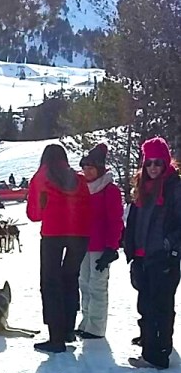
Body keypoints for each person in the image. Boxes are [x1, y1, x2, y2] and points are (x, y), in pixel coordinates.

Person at [26, 143, 91, 353]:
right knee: (70, 279)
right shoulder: (78, 178)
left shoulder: (41, 177)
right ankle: (68, 330)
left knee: (51, 282)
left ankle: (56, 338)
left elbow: (34, 214)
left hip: (53, 234)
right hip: (80, 235)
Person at [124, 136, 181, 369]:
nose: (153, 167)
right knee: (145, 304)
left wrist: (171, 247)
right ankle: (152, 346)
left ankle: (157, 354)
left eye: (158, 162)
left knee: (160, 305)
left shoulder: (173, 187)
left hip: (163, 256)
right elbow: (135, 221)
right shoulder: (142, 187)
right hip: (142, 255)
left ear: (166, 162)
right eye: (149, 163)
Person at [77, 143, 124, 339]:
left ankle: (96, 327)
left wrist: (111, 247)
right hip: (83, 245)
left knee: (97, 286)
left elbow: (115, 220)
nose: (87, 172)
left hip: (100, 247)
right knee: (84, 284)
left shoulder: (109, 190)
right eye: (85, 168)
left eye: (91, 168)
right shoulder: (82, 188)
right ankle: (86, 321)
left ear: (100, 169)